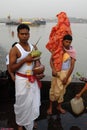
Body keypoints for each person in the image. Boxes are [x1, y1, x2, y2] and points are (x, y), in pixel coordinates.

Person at [9, 24, 40, 130]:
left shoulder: (33, 47)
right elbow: (12, 68)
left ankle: (30, 121)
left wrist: (39, 70)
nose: (24, 36)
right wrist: (24, 60)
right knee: (21, 103)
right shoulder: (15, 49)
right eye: (22, 34)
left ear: (29, 34)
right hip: (21, 80)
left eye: (26, 34)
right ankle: (20, 123)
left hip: (33, 80)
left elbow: (37, 62)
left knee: (32, 103)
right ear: (18, 35)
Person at [47, 34, 76, 114]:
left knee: (62, 91)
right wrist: (53, 70)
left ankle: (59, 106)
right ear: (63, 41)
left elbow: (72, 66)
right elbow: (51, 61)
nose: (68, 44)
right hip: (56, 73)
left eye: (70, 42)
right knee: (53, 90)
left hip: (66, 74)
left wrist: (66, 78)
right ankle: (50, 107)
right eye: (66, 42)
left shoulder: (72, 52)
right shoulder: (57, 50)